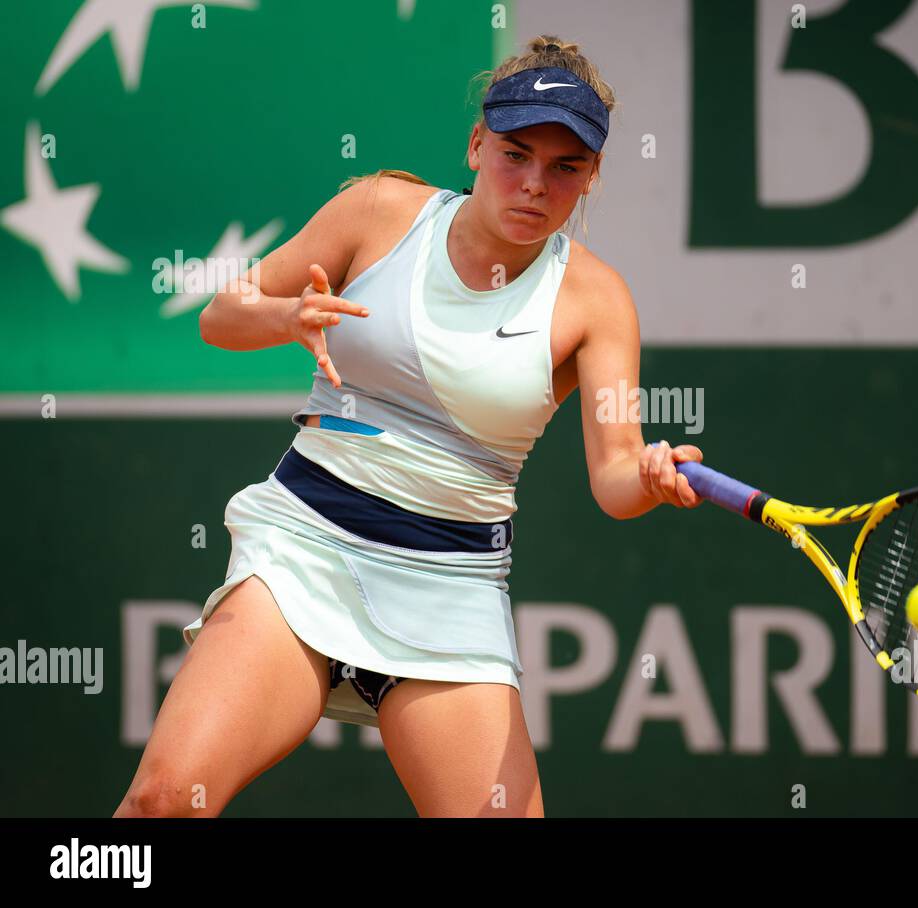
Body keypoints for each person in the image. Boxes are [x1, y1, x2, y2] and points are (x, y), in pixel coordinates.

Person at [114, 35, 704, 818]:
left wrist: (652, 476)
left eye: (565, 168)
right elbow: (223, 315)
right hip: (304, 550)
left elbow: (616, 476)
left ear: (592, 174)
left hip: (450, 588)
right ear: (474, 144)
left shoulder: (597, 301)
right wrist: (288, 315)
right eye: (515, 153)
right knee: (164, 804)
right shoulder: (379, 212)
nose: (533, 185)